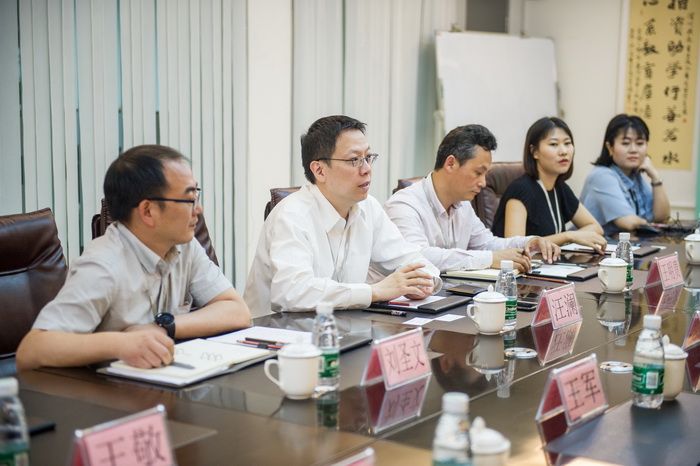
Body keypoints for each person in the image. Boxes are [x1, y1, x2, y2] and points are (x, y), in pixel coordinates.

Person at [16, 145, 251, 371]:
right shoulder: (103, 265)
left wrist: (163, 326)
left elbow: (237, 311)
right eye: (189, 199)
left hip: (167, 380)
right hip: (109, 391)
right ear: (148, 211)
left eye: (195, 196)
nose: (198, 209)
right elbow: (31, 350)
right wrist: (120, 343)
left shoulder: (184, 245)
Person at [244, 115, 441, 316]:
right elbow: (292, 292)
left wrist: (425, 281)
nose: (367, 169)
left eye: (368, 157)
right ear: (319, 170)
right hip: (279, 330)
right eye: (354, 160)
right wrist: (374, 291)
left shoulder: (368, 207)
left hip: (340, 326)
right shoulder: (291, 215)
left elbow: (409, 258)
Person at [383, 124, 559, 274]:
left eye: (486, 174)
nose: (483, 183)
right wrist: (489, 259)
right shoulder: (404, 205)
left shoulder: (462, 204)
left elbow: (487, 244)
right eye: (478, 172)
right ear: (450, 163)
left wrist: (528, 242)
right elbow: (418, 257)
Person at [492, 117, 606, 253]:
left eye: (567, 143)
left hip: (553, 263)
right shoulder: (520, 189)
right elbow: (515, 247)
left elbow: (595, 227)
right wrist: (568, 236)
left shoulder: (560, 187)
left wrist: (571, 237)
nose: (563, 151)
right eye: (553, 144)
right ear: (534, 151)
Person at [580, 114, 670, 235]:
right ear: (610, 147)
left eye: (640, 143)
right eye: (626, 143)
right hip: (590, 246)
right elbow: (628, 223)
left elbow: (662, 218)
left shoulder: (634, 175)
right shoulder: (601, 176)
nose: (633, 150)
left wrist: (655, 177)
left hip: (623, 244)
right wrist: (650, 225)